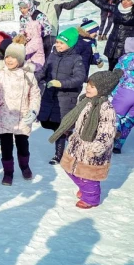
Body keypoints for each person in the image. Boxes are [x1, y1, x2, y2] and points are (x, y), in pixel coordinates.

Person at [49, 69, 122, 209]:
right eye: (88, 84)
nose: (88, 88)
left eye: (92, 86)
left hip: (93, 148)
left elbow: (107, 131)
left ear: (103, 89)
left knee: (88, 176)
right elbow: (78, 118)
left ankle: (91, 198)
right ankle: (85, 189)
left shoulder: (106, 108)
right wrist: (69, 129)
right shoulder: (85, 101)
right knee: (69, 168)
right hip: (78, 143)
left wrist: (98, 146)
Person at [0, 43, 41, 185]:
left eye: (13, 57)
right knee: (6, 146)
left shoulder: (28, 75)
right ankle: (8, 172)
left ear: (21, 59)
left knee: (23, 145)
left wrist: (34, 110)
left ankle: (24, 166)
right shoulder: (0, 73)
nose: (9, 60)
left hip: (22, 116)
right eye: (7, 57)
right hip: (3, 116)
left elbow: (35, 95)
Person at [36, 27, 87, 165]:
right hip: (50, 95)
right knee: (45, 122)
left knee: (59, 127)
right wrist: (32, 78)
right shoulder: (52, 55)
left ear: (69, 44)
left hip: (65, 98)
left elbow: (80, 77)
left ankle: (58, 155)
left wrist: (61, 83)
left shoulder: (76, 59)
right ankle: (68, 134)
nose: (57, 45)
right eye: (57, 42)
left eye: (61, 43)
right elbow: (43, 71)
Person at [4, 0, 81, 56]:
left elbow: (70, 4)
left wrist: (80, 0)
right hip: (31, 40)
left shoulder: (59, 1)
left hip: (50, 35)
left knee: (46, 56)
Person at [80, 0, 134, 71]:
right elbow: (102, 5)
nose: (124, 2)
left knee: (122, 69)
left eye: (128, 0)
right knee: (111, 68)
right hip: (112, 43)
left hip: (126, 46)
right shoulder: (117, 8)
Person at [112, 37, 134, 154]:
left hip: (125, 91)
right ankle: (118, 146)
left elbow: (116, 75)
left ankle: (113, 135)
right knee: (129, 121)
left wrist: (113, 91)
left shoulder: (125, 58)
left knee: (115, 115)